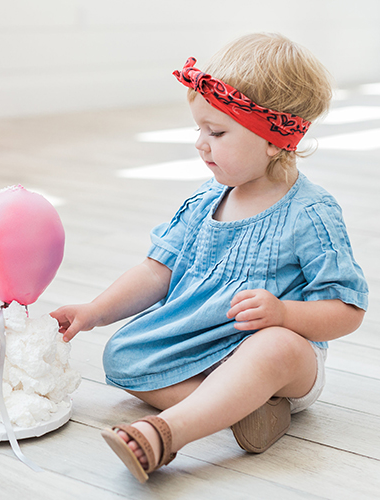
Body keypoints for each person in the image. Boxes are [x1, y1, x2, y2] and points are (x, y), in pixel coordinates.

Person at [51, 33, 368, 482]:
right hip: (203, 343)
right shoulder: (204, 201)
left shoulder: (310, 213)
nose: (201, 143)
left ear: (275, 140)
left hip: (280, 360)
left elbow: (347, 310)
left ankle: (166, 434)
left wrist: (282, 313)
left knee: (274, 345)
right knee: (122, 356)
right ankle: (244, 412)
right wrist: (96, 311)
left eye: (216, 132)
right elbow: (155, 270)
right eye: (199, 129)